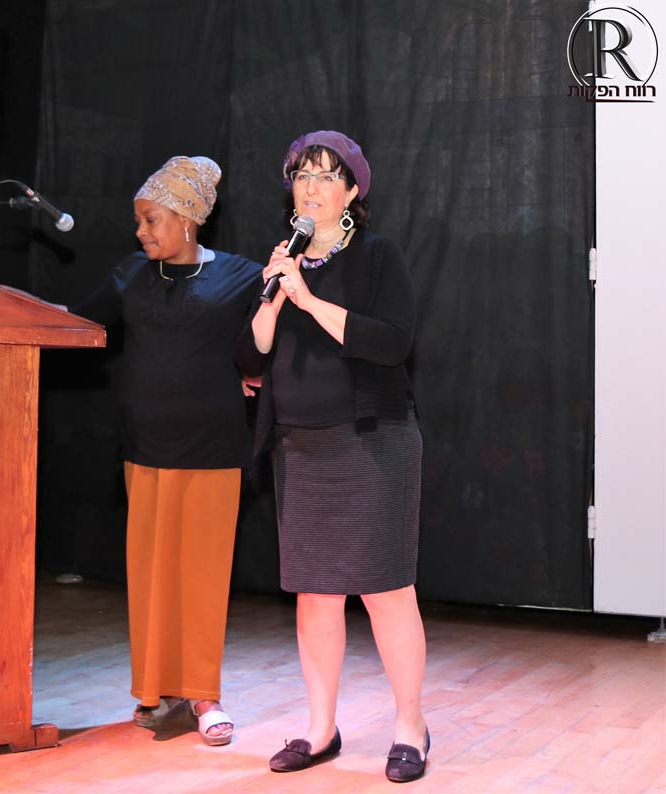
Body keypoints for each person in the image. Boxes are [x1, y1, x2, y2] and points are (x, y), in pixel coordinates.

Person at [248, 130, 429, 782]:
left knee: (386, 590)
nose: (312, 187)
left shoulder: (378, 256)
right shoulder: (286, 262)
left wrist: (308, 299)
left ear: (352, 191)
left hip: (372, 441)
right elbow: (251, 353)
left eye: (327, 176)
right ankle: (321, 729)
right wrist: (275, 294)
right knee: (315, 597)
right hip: (300, 445)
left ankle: (410, 726)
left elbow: (392, 343)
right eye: (302, 175)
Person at [73, 155, 262, 746]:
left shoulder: (241, 276)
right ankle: (157, 689)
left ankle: (203, 694)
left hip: (212, 445)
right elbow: (76, 323)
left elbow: (265, 345)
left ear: (187, 218)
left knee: (202, 574)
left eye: (151, 220)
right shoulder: (130, 274)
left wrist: (256, 373)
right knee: (151, 575)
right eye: (139, 221)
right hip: (145, 446)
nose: (141, 232)